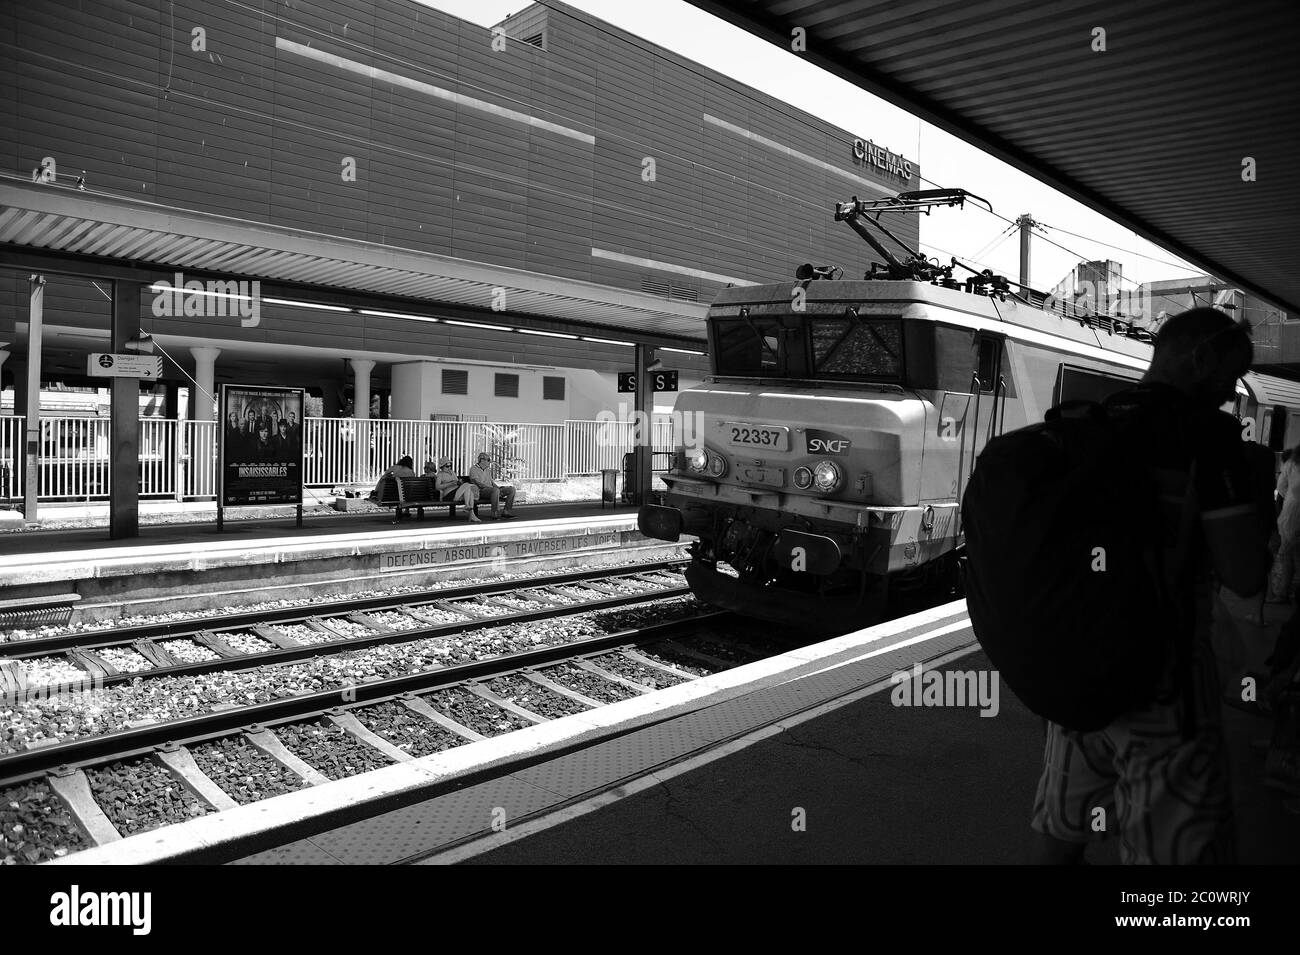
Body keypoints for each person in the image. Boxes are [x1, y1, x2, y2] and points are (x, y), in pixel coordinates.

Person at [1029, 308, 1272, 865]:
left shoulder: (1090, 424)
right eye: (1229, 377)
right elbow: (1245, 575)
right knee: (1175, 852)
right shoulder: (1207, 437)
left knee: (1061, 829)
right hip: (1162, 683)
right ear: (1201, 360)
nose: (1228, 393)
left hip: (1080, 675)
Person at [1268, 448, 1300, 602]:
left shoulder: (1291, 464)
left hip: (1292, 513)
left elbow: (1281, 488)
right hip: (1292, 513)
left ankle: (1283, 592)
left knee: (1287, 554)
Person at [468, 452, 516, 519]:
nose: (489, 462)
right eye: (488, 460)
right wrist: (492, 488)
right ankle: (494, 513)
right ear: (482, 460)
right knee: (495, 490)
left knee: (511, 489)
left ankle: (506, 511)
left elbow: (492, 482)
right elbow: (477, 482)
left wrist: (498, 487)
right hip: (481, 491)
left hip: (492, 490)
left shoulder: (487, 470)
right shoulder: (473, 469)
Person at [432, 456, 480, 522]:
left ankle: (471, 514)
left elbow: (457, 482)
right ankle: (468, 508)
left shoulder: (452, 472)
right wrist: (450, 483)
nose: (449, 468)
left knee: (469, 492)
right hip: (449, 495)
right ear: (442, 466)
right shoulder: (440, 474)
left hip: (457, 492)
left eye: (450, 465)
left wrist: (459, 482)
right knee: (467, 486)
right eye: (447, 466)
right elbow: (437, 487)